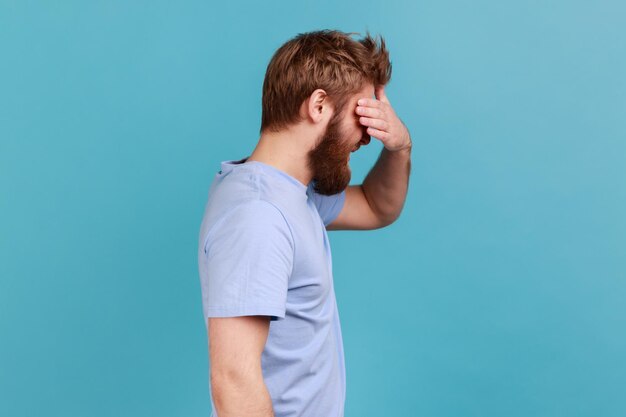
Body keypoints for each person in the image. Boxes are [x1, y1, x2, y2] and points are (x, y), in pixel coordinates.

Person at [197, 29, 411, 417]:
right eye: (361, 113)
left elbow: (377, 206)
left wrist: (400, 147)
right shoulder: (258, 216)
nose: (367, 135)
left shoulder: (291, 195)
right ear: (318, 106)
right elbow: (234, 381)